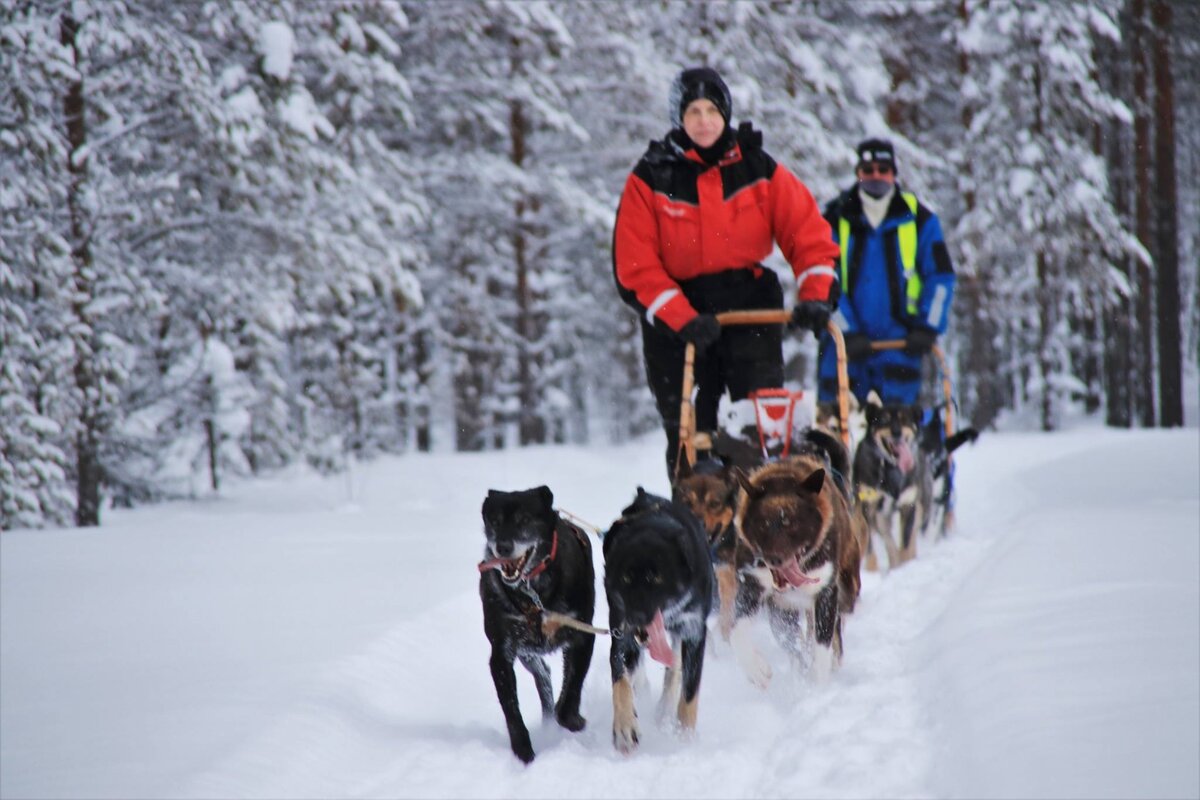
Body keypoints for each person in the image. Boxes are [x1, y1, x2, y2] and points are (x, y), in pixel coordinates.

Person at [613, 66, 840, 481]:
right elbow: (634, 266)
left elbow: (808, 235)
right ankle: (701, 526)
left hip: (748, 307)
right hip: (679, 322)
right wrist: (682, 319)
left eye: (712, 110)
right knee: (690, 432)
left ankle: (766, 520)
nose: (703, 121)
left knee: (760, 429)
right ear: (679, 118)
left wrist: (816, 294)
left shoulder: (759, 169)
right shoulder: (651, 176)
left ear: (726, 114)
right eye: (693, 111)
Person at [816, 138, 956, 410]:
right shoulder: (834, 217)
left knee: (898, 435)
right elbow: (823, 279)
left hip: (901, 345)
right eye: (868, 169)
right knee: (837, 432)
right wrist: (847, 331)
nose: (876, 175)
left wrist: (928, 327)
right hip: (844, 349)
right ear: (858, 172)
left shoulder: (920, 219)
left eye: (883, 169)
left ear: (894, 172)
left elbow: (941, 278)